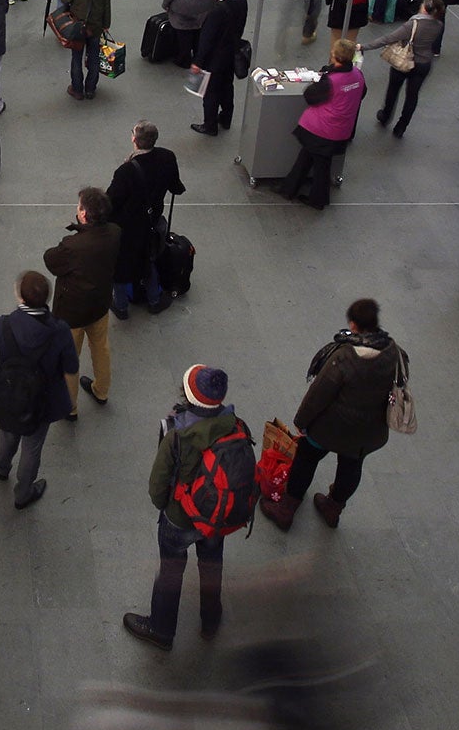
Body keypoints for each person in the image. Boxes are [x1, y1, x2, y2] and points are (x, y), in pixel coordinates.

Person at [123, 364, 238, 651]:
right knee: (211, 564)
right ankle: (210, 619)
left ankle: (161, 629)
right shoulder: (233, 425)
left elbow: (157, 485)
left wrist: (166, 507)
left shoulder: (176, 433)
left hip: (180, 518)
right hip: (214, 515)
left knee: (171, 570)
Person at [262, 299, 404, 530]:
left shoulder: (345, 356)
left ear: (353, 324)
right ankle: (333, 508)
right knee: (351, 466)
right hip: (368, 431)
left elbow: (319, 393)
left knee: (306, 458)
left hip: (330, 428)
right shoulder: (393, 350)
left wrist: (302, 421)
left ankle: (286, 510)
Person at [0, 269, 77, 509]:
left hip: (9, 394)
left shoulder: (3, 325)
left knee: (8, 431)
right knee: (33, 446)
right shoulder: (60, 330)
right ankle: (23, 492)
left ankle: (0, 464)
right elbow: (72, 366)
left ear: (21, 298)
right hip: (43, 401)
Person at [44, 187, 120, 413]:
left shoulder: (73, 245)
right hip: (100, 305)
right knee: (101, 348)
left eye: (79, 207)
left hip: (72, 312)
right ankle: (101, 390)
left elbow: (51, 260)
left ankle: (70, 407)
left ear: (84, 215)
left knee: (69, 359)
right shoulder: (115, 232)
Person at [107, 121, 186, 311]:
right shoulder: (167, 157)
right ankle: (154, 300)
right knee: (148, 257)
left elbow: (111, 201)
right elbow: (176, 186)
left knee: (121, 264)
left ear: (134, 140)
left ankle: (121, 306)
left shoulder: (126, 171)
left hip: (128, 225)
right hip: (152, 219)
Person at [274, 44, 364, 209]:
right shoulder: (358, 75)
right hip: (341, 128)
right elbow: (362, 93)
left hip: (321, 129)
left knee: (321, 165)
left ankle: (318, 199)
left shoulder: (331, 80)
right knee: (307, 156)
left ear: (336, 56)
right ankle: (288, 189)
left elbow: (311, 96)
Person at [361, 0, 446, 139]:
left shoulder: (413, 24)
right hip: (424, 64)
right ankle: (401, 126)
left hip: (405, 61)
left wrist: (364, 46)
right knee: (412, 96)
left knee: (393, 89)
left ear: (424, 9)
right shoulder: (438, 25)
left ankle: (385, 115)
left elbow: (388, 39)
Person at [189, 0, 247, 136]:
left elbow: (206, 41)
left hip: (215, 60)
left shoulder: (216, 12)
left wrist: (197, 62)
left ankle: (210, 125)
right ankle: (226, 117)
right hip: (231, 55)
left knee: (211, 93)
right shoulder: (241, 2)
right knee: (227, 88)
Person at [61, 0, 111, 100]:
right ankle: (90, 88)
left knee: (76, 57)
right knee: (94, 57)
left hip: (78, 24)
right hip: (96, 25)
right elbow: (106, 3)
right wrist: (106, 24)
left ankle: (77, 89)